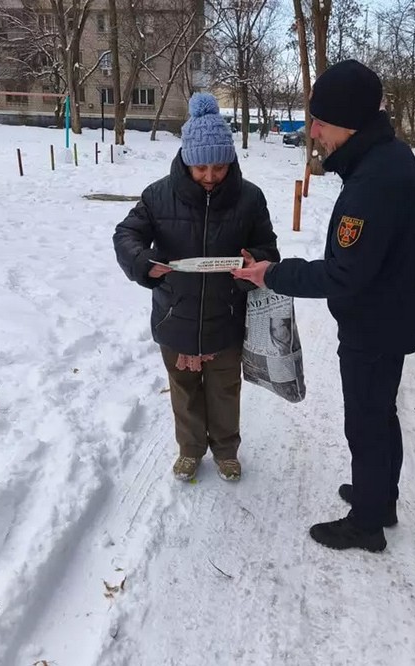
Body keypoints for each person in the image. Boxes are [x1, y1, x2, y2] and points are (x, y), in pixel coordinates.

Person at [233, 60, 415, 552]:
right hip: (388, 316)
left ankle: (367, 523)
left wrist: (272, 273)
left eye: (320, 121)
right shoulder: (387, 159)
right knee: (380, 414)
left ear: (349, 121)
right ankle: (379, 498)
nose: (313, 131)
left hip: (374, 325)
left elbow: (344, 273)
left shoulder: (374, 181)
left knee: (366, 421)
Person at [113, 92, 279, 482]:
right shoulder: (157, 196)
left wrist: (255, 260)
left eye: (219, 167)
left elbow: (268, 247)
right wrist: (141, 261)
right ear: (186, 160)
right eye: (200, 167)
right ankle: (190, 450)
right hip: (175, 315)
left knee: (224, 390)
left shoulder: (250, 198)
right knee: (184, 390)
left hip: (226, 317)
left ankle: (226, 450)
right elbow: (126, 235)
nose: (209, 176)